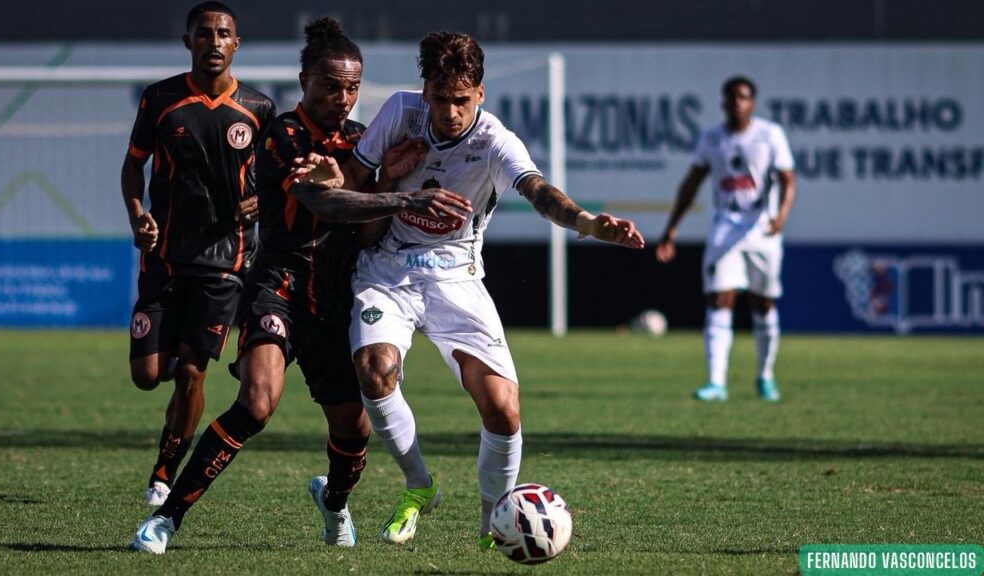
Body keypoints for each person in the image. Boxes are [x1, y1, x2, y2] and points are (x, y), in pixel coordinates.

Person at [129, 17, 470, 554]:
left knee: (353, 428)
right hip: (279, 284)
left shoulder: (362, 141)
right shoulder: (283, 134)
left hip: (338, 295)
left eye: (352, 88)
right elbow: (321, 201)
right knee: (257, 402)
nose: (343, 98)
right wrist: (405, 196)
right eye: (331, 86)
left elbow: (369, 231)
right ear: (305, 81)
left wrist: (384, 178)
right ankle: (165, 520)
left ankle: (334, 502)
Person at [332, 31, 645, 548]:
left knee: (502, 408)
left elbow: (539, 192)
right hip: (387, 270)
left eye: (462, 99)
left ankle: (492, 520)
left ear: (480, 92)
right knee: (374, 370)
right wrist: (387, 178)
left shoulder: (495, 140)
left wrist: (588, 223)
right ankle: (418, 485)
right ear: (425, 91)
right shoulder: (400, 112)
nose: (450, 111)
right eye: (440, 98)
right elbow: (348, 185)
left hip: (456, 277)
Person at [120, 0, 275, 510]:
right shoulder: (160, 99)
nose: (214, 41)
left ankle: (164, 471)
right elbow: (133, 166)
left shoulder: (258, 108)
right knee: (147, 376)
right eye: (204, 33)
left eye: (223, 33)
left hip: (224, 263)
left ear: (237, 43)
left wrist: (263, 199)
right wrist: (138, 214)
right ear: (188, 41)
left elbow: (278, 178)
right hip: (164, 256)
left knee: (192, 372)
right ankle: (171, 361)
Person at [655, 76, 796, 402]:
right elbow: (691, 183)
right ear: (723, 103)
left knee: (763, 304)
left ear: (752, 103)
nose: (737, 103)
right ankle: (716, 382)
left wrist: (781, 216)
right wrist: (671, 229)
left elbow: (788, 179)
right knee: (719, 299)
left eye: (743, 97)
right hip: (725, 228)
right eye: (732, 98)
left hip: (762, 230)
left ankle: (765, 376)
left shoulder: (770, 135)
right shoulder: (711, 138)